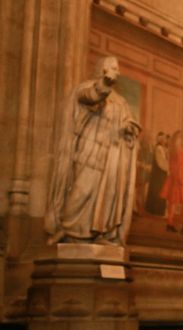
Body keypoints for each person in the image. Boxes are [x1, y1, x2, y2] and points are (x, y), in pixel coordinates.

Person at [45, 56, 140, 246]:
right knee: (80, 190)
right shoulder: (87, 88)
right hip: (89, 151)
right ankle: (65, 229)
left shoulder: (120, 102)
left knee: (106, 197)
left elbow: (129, 122)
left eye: (118, 68)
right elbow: (91, 96)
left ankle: (101, 234)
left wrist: (130, 129)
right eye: (113, 68)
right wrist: (104, 84)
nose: (118, 72)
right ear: (103, 69)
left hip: (110, 158)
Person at [160, 130, 183, 235]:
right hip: (179, 179)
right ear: (177, 138)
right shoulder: (179, 150)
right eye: (180, 137)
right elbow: (180, 168)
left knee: (172, 202)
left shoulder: (173, 150)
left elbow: (174, 166)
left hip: (174, 178)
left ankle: (170, 224)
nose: (182, 139)